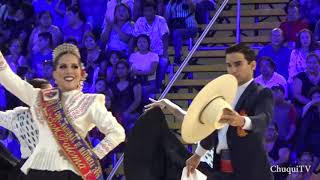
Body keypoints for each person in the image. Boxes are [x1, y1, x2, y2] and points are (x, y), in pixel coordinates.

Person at [147, 43, 275, 180]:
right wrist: (197, 155)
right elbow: (211, 128)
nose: (233, 70)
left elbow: (263, 119)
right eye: (229, 65)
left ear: (253, 65)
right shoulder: (222, 94)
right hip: (222, 167)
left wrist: (242, 121)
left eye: (238, 64)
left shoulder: (262, 93)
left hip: (250, 169)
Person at [0, 43, 125, 180]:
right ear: (55, 74)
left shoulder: (91, 102)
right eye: (63, 67)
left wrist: (92, 156)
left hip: (71, 173)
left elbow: (117, 132)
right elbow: (10, 79)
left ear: (82, 73)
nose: (68, 71)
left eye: (74, 67)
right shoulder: (41, 98)